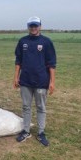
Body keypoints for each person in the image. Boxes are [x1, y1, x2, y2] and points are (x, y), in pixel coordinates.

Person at [13, 16, 56, 146]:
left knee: (40, 107)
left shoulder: (46, 42)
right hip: (25, 80)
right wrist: (16, 77)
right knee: (26, 106)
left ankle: (41, 132)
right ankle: (26, 131)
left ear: (40, 27)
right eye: (31, 26)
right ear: (28, 27)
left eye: (36, 25)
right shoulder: (22, 41)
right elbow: (18, 61)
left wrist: (52, 82)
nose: (33, 28)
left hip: (41, 81)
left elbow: (52, 64)